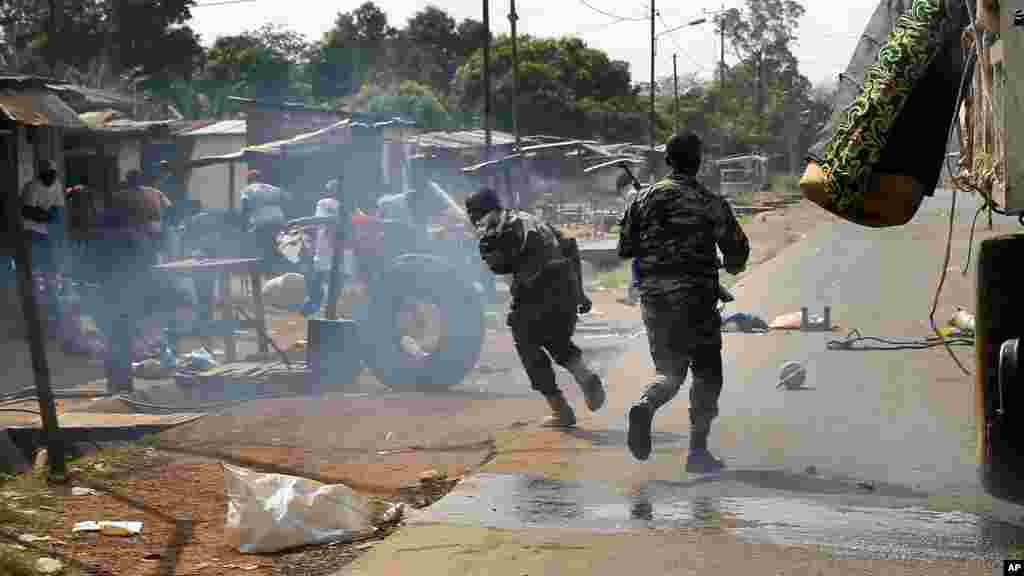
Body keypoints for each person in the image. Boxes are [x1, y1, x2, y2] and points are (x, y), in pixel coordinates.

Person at [617, 131, 750, 473]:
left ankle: (646, 405)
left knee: (669, 372)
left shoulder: (641, 199)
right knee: (707, 375)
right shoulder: (710, 202)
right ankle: (697, 452)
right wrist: (727, 264)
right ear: (699, 161)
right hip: (696, 302)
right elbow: (737, 253)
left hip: (654, 300)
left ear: (667, 160)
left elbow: (625, 249)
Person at [466, 187, 604, 428]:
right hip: (565, 289)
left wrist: (482, 245)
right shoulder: (528, 218)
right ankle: (585, 376)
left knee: (527, 345)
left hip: (538, 290)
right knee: (556, 340)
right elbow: (569, 244)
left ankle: (560, 410)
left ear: (479, 213)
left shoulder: (494, 227)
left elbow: (499, 266)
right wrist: (580, 293)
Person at [20, 160, 65, 328]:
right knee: (33, 269)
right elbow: (27, 211)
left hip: (45, 233)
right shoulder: (32, 187)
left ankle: (51, 308)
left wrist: (46, 216)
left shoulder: (57, 186)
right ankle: (32, 308)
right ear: (41, 174)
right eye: (47, 175)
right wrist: (45, 216)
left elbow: (57, 211)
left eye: (53, 174)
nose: (51, 177)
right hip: (29, 231)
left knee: (50, 270)